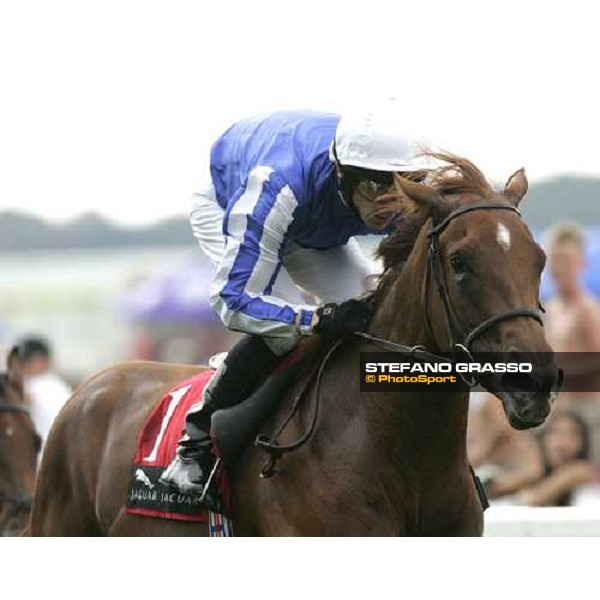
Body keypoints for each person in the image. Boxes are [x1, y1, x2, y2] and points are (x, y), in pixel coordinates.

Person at [159, 105, 435, 501]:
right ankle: (196, 438)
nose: (390, 205)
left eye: (403, 186)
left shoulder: (400, 189)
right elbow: (233, 301)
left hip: (316, 222)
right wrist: (316, 319)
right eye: (376, 188)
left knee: (376, 320)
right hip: (234, 204)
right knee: (285, 334)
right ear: (343, 173)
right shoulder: (276, 186)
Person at [543, 222, 600, 464]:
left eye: (566, 261)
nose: (560, 269)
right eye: (555, 261)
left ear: (581, 264)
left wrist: (558, 372)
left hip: (588, 410)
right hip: (558, 409)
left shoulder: (587, 309)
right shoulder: (549, 308)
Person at [486, 411, 599, 506]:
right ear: (543, 438)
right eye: (556, 433)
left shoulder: (582, 471)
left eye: (573, 434)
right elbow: (491, 490)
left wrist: (533, 471)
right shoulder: (534, 472)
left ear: (583, 442)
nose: (563, 442)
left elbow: (534, 499)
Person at [17, 336, 72, 451]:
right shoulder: (60, 384)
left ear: (45, 361)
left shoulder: (39, 384)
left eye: (28, 361)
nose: (23, 366)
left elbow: (22, 399)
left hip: (41, 456)